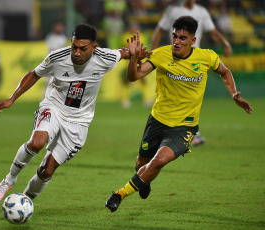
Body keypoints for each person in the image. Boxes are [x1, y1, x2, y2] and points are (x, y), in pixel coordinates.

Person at [0, 24, 151, 203]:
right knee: (37, 143)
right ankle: (9, 179)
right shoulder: (57, 58)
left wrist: (135, 54)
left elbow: (123, 53)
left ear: (94, 48)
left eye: (83, 49)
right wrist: (12, 98)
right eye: (74, 46)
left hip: (79, 122)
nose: (77, 53)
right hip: (54, 107)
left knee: (46, 171)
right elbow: (34, 74)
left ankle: (25, 201)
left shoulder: (105, 57)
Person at [105, 16, 252, 212]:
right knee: (142, 163)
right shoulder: (160, 54)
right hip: (157, 120)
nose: (176, 41)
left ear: (193, 40)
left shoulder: (206, 57)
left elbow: (225, 72)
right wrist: (132, 58)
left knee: (159, 161)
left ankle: (118, 194)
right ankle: (144, 181)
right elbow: (133, 77)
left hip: (185, 126)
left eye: (182, 38)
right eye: (174, 36)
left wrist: (234, 94)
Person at [151, 0, 233, 146]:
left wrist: (225, 43)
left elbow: (213, 32)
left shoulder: (202, 12)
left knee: (192, 98)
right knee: (175, 96)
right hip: (176, 60)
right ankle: (175, 131)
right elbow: (159, 30)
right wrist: (151, 53)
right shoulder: (172, 10)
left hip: (197, 61)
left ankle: (189, 132)